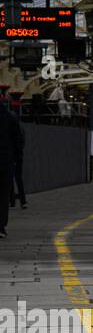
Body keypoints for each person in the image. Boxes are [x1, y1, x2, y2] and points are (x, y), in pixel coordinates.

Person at [0, 98, 18, 238]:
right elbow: (17, 139)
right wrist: (16, 159)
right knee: (4, 195)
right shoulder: (9, 116)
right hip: (6, 161)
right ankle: (1, 227)